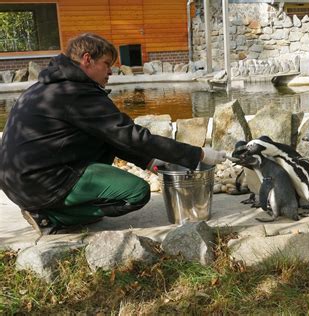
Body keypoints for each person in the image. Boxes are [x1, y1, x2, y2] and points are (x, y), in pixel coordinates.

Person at [0, 33, 227, 236]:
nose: (111, 71)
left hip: (18, 181)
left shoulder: (49, 86)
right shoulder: (77, 94)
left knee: (103, 151)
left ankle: (54, 207)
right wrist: (197, 154)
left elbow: (110, 136)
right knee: (136, 193)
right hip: (41, 182)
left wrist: (149, 162)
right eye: (107, 64)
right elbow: (132, 135)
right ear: (87, 59)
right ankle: (51, 217)